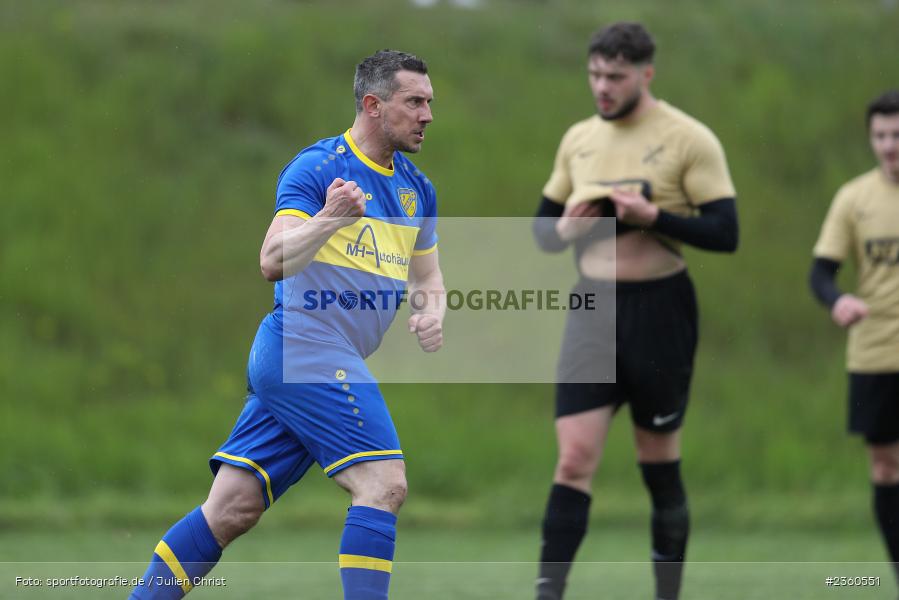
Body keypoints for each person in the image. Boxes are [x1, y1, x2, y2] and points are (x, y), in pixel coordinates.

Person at [129, 49, 445, 600]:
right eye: (414, 101)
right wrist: (330, 218)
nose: (427, 115)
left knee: (231, 507)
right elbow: (272, 259)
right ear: (373, 105)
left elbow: (429, 276)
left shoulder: (418, 189)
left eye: (429, 102)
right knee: (382, 483)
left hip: (310, 362)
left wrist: (431, 310)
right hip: (306, 345)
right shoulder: (319, 168)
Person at [532, 22, 738, 600]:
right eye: (595, 73)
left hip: (661, 311)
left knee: (658, 461)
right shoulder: (578, 139)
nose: (602, 86)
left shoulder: (688, 138)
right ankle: (548, 593)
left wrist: (653, 218)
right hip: (591, 308)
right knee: (573, 458)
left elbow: (726, 233)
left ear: (646, 73)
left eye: (615, 77)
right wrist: (568, 227)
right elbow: (543, 233)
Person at [810, 89, 899, 588]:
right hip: (875, 353)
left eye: (898, 135)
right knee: (886, 468)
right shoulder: (854, 198)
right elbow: (820, 273)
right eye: (881, 136)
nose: (890, 146)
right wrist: (836, 300)